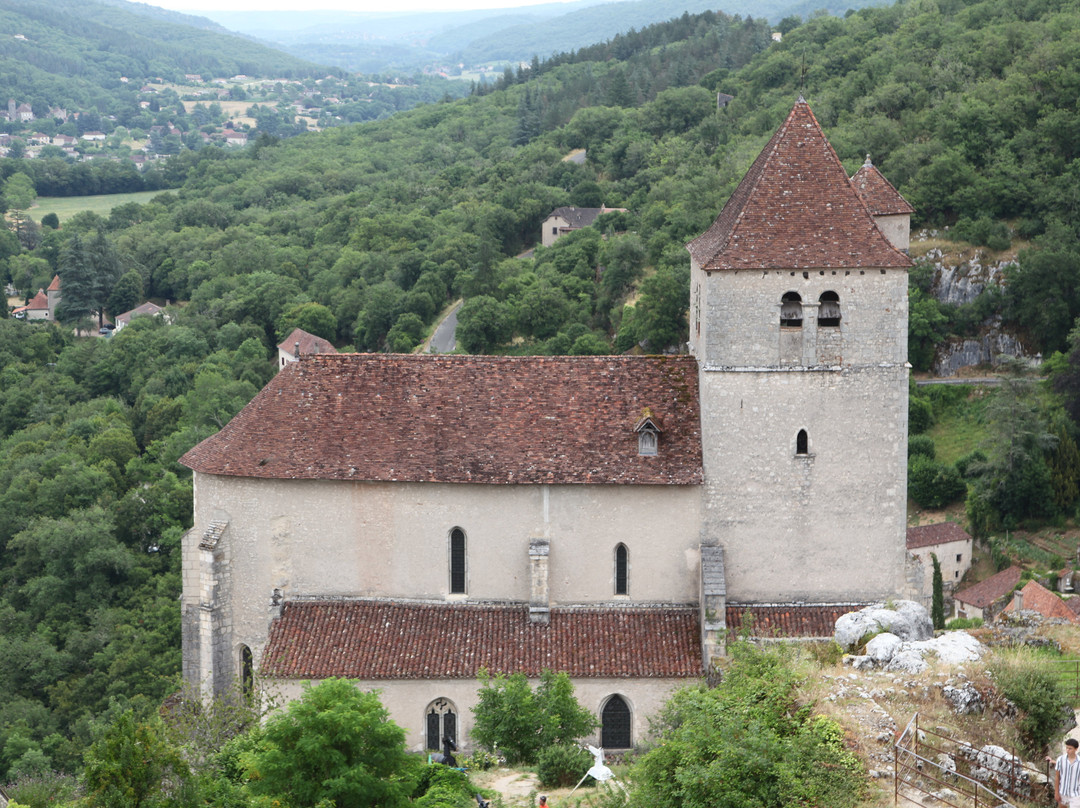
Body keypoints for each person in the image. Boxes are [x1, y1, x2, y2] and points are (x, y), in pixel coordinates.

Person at [1056, 738, 1080, 807]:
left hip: (1076, 793)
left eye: (1070, 748)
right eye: (1067, 748)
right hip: (1063, 792)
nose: (1067, 750)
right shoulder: (1060, 760)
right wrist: (1056, 792)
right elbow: (1057, 776)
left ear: (1076, 749)